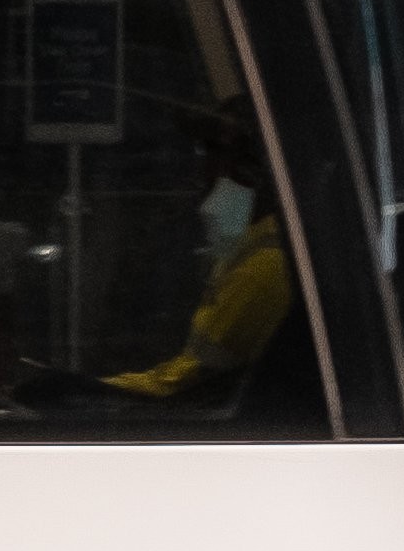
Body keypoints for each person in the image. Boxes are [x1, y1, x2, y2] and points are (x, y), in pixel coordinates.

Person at [104, 99, 296, 412]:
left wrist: (95, 392)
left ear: (254, 170)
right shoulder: (249, 246)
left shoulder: (263, 270)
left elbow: (183, 389)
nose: (203, 169)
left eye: (215, 152)